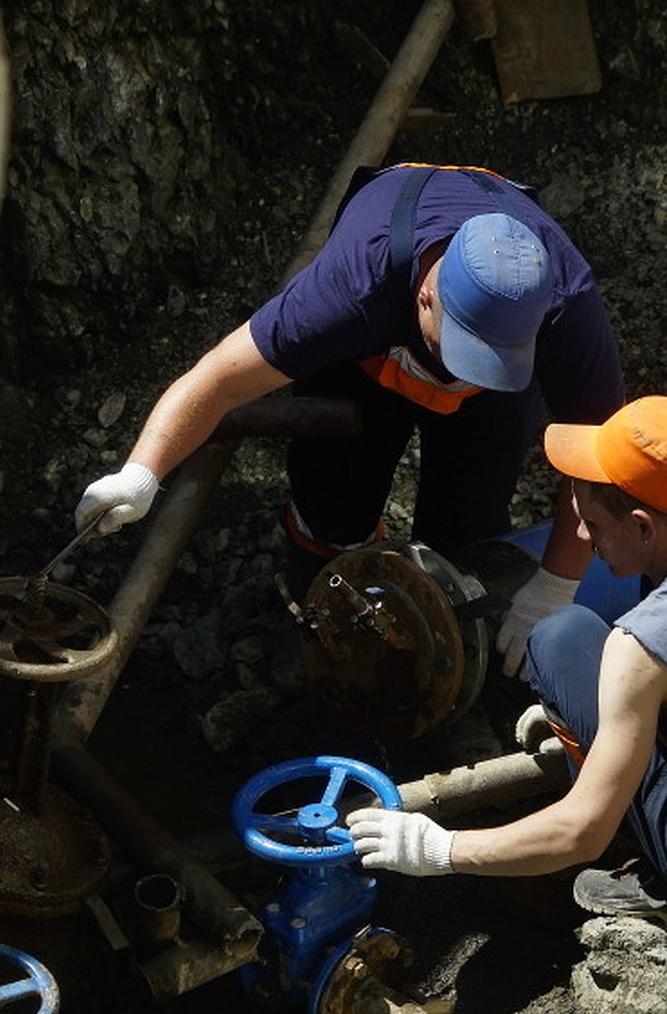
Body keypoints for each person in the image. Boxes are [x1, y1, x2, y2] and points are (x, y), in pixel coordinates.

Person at [74, 163, 624, 678]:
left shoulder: (564, 302)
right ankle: (324, 614)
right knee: (333, 492)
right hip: (367, 358)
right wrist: (141, 474)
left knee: (469, 514)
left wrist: (555, 585)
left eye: (489, 359)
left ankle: (450, 644)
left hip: (493, 382)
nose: (465, 374)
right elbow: (216, 381)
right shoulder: (352, 287)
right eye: (462, 351)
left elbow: (600, 460)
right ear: (427, 298)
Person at [348, 396, 667, 921]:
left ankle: (649, 874)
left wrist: (441, 850)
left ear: (643, 526)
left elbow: (580, 832)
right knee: (570, 640)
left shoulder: (640, 645)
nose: (581, 537)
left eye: (591, 524)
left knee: (560, 639)